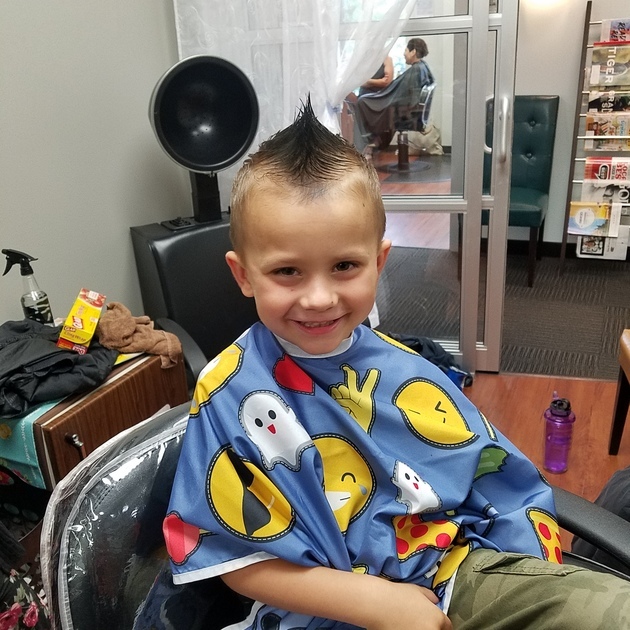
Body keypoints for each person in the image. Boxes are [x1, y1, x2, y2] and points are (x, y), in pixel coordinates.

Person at [164, 100, 630, 630]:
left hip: (452, 570)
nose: (319, 298)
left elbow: (489, 477)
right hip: (317, 608)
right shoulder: (228, 389)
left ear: (379, 261)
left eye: (344, 266)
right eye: (287, 272)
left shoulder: (403, 367)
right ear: (244, 275)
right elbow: (232, 554)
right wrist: (375, 602)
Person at [354, 38, 435, 152]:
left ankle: (370, 140)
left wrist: (386, 99)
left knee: (362, 101)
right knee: (366, 101)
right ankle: (375, 140)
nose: (404, 54)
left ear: (413, 52)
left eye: (406, 50)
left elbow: (407, 98)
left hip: (404, 112)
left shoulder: (416, 70)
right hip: (407, 110)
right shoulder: (422, 67)